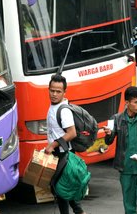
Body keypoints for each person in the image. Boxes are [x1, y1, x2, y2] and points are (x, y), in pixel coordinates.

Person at [104, 86, 137, 214]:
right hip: (125, 167)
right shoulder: (116, 119)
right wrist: (109, 133)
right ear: (127, 103)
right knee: (129, 205)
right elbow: (108, 141)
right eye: (136, 102)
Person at [44, 74, 86, 214]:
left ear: (64, 92)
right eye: (52, 90)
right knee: (64, 188)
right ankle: (80, 212)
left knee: (60, 189)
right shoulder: (53, 106)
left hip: (64, 155)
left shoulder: (64, 110)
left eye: (58, 91)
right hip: (58, 154)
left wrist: (52, 145)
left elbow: (71, 133)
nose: (54, 94)